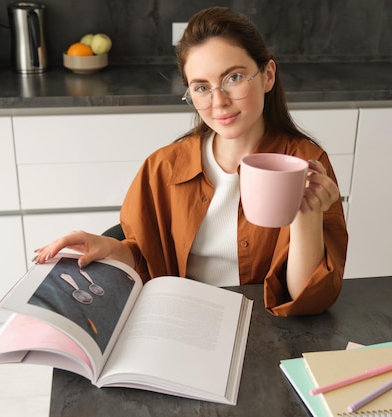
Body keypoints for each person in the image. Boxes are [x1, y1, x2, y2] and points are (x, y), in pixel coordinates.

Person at [33, 6, 348, 316]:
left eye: (234, 77)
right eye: (201, 87)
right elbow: (146, 259)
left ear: (267, 75)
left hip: (263, 328)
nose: (219, 101)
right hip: (183, 322)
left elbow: (307, 299)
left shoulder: (306, 163)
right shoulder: (163, 168)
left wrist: (307, 213)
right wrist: (110, 249)